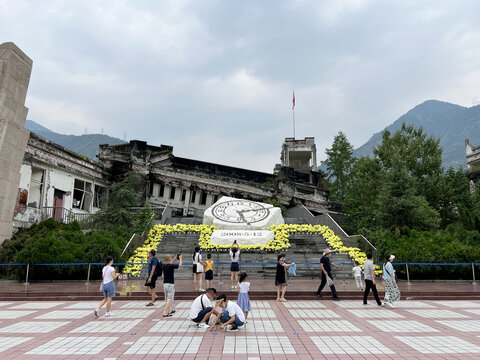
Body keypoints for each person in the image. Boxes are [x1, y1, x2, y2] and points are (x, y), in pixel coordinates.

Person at [162, 253, 183, 317]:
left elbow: (169, 264)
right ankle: (165, 312)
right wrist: (180, 259)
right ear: (169, 258)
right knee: (169, 298)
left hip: (165, 284)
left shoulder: (164, 265)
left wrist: (174, 259)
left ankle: (169, 310)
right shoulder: (171, 266)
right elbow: (180, 265)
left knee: (166, 298)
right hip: (170, 284)